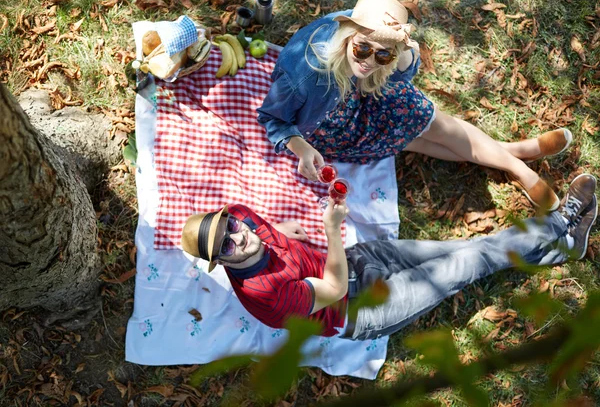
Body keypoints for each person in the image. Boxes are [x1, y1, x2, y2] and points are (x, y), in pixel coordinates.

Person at [256, 0, 573, 211]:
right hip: (327, 126)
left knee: (432, 122)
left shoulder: (376, 56)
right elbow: (273, 118)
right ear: (348, 35)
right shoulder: (307, 73)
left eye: (383, 54)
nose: (369, 61)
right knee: (415, 139)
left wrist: (398, 51)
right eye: (363, 49)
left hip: (362, 93)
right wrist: (302, 148)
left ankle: (517, 158)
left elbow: (398, 79)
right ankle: (518, 157)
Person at [181, 174, 597, 340]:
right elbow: (334, 288)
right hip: (360, 308)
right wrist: (330, 231)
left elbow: (266, 229)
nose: (239, 236)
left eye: (231, 227)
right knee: (474, 261)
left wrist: (287, 232)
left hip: (359, 260)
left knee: (468, 249)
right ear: (221, 263)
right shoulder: (263, 295)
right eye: (226, 246)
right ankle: (560, 223)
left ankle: (563, 248)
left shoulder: (240, 219)